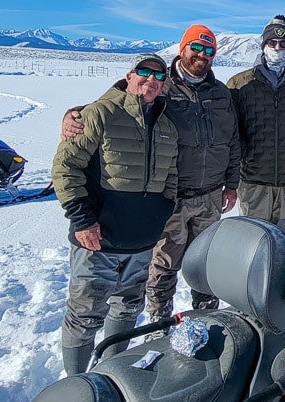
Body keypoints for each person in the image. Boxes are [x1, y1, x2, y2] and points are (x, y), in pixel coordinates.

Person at [62, 26, 241, 330]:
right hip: (170, 195)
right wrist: (74, 113)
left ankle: (208, 318)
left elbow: (233, 140)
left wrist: (232, 183)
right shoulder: (159, 84)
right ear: (182, 49)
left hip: (211, 194)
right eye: (196, 48)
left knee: (208, 261)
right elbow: (117, 105)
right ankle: (159, 323)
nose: (202, 56)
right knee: (164, 264)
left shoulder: (221, 93)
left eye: (209, 51)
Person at [51, 53, 179, 376]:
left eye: (158, 75)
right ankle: (78, 384)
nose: (151, 80)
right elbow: (66, 166)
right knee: (84, 314)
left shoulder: (166, 124)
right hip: (98, 240)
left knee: (128, 307)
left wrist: (162, 212)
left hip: (141, 243)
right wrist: (81, 219)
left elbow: (171, 177)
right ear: (129, 76)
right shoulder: (100, 114)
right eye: (144, 73)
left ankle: (109, 373)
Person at [226, 14, 285, 265]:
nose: (278, 49)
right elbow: (231, 131)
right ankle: (250, 296)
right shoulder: (240, 84)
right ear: (263, 45)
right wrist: (246, 157)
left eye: (283, 44)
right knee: (252, 243)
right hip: (254, 180)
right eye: (272, 44)